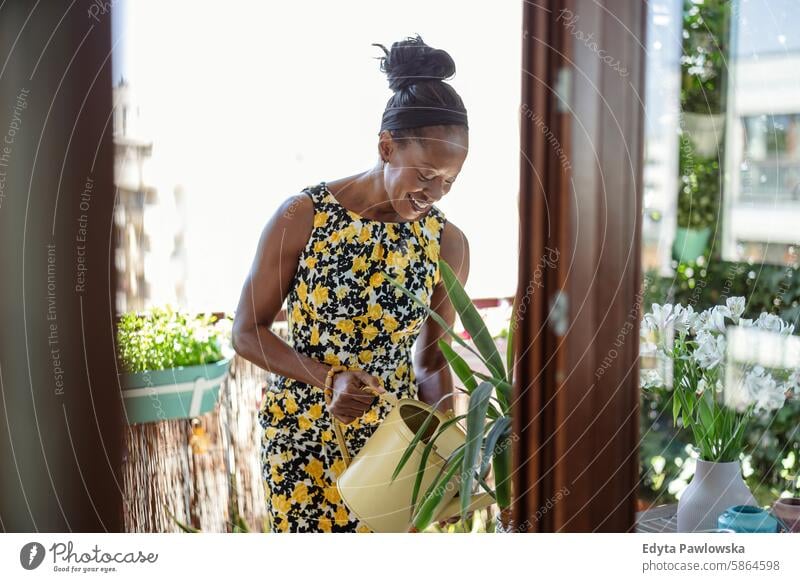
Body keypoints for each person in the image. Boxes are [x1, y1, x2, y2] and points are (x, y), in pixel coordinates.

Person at [232, 34, 470, 532]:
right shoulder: (303, 216)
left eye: (448, 181)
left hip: (396, 448)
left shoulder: (448, 243)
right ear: (386, 145)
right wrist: (328, 378)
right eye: (425, 173)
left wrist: (449, 453)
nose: (433, 192)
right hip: (303, 439)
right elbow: (246, 331)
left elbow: (429, 359)